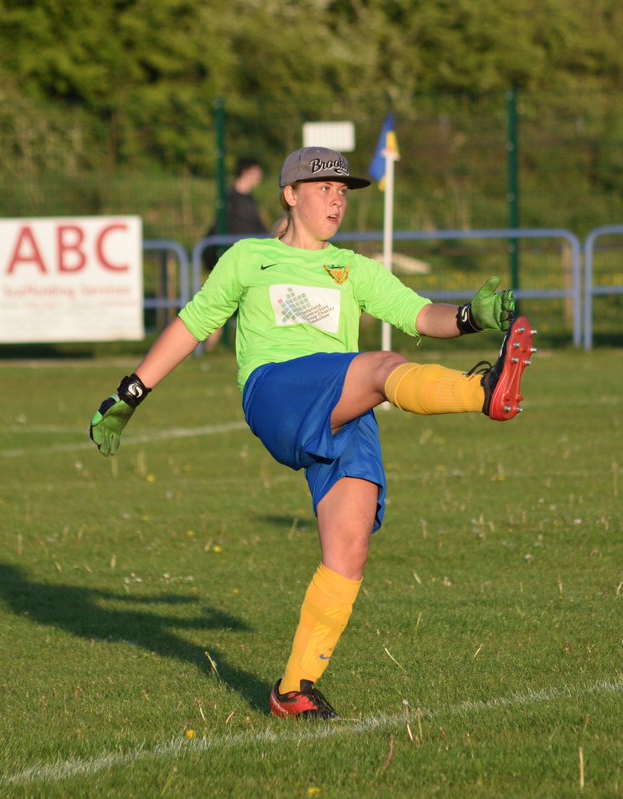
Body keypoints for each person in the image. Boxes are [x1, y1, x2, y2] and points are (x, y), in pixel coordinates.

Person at [89, 146, 535, 720]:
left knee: (348, 550)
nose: (336, 199)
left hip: (343, 403)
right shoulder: (249, 258)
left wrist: (472, 316)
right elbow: (193, 323)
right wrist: (130, 393)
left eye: (343, 192)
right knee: (380, 365)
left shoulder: (355, 267)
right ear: (290, 194)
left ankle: (293, 689)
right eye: (324, 188)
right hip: (277, 393)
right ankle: (485, 393)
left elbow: (419, 313)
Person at [203, 157, 269, 351]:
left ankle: (210, 348)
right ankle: (205, 347)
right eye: (257, 172)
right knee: (219, 303)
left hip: (251, 259)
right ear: (247, 172)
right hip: (235, 260)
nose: (260, 177)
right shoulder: (230, 200)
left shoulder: (249, 200)